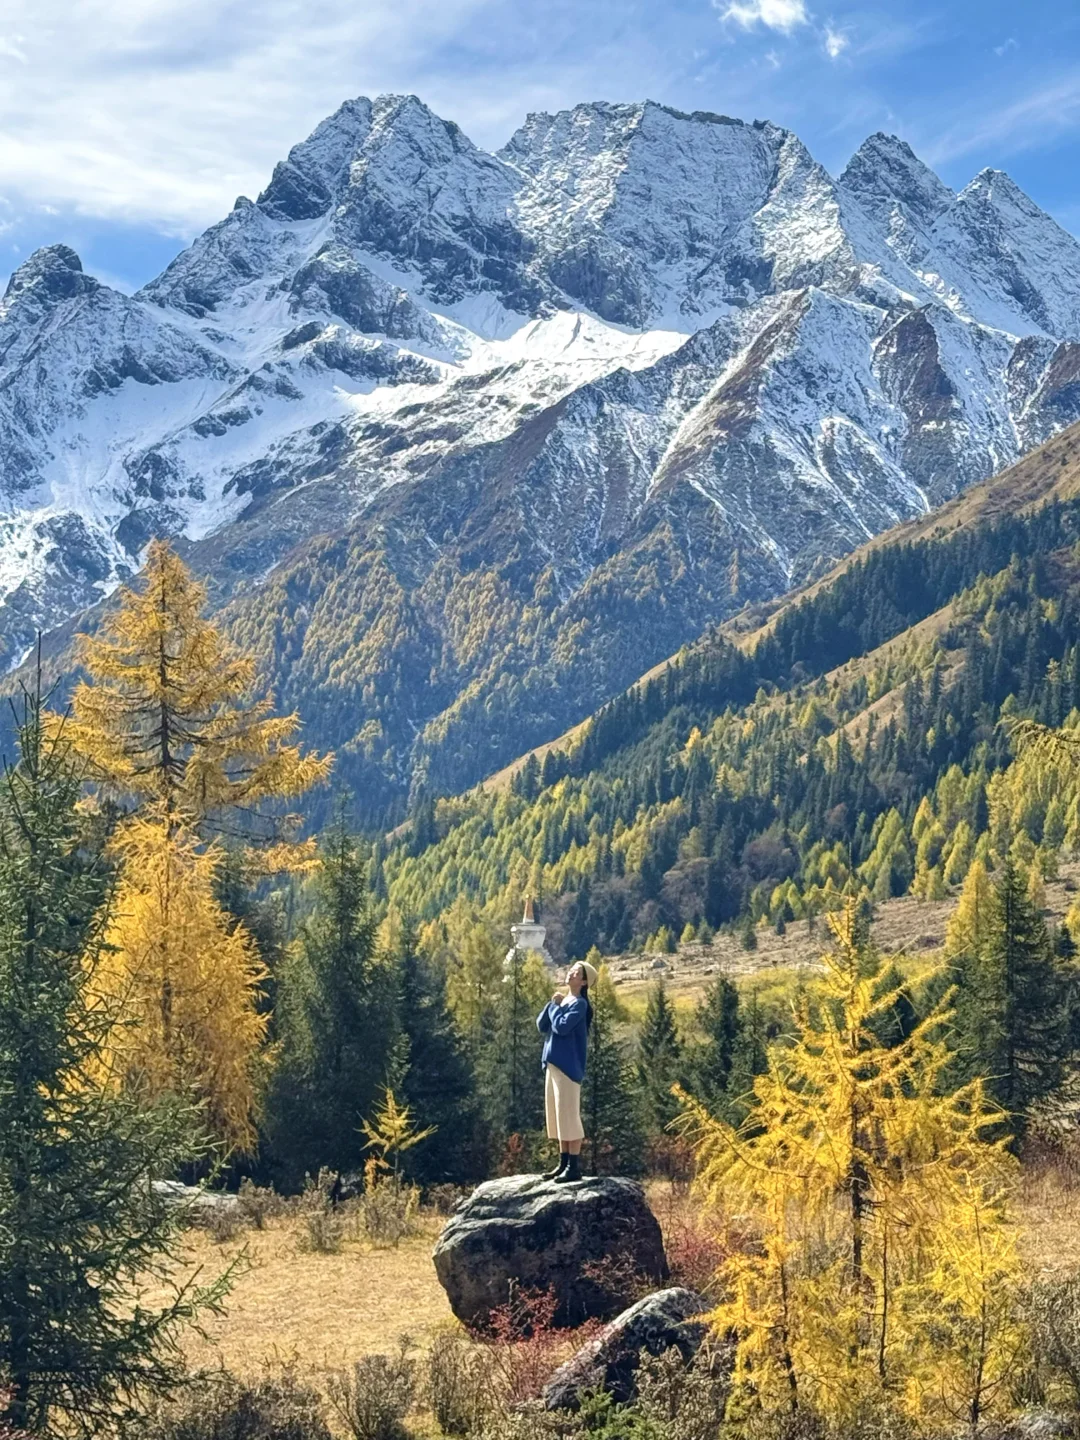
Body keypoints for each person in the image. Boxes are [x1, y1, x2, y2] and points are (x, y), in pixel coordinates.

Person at [536, 959, 597, 1184]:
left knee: (569, 1115)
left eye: (576, 972)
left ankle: (574, 1166)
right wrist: (551, 1005)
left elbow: (561, 1027)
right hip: (553, 1064)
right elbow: (541, 1025)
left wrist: (556, 1007)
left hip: (568, 1067)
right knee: (558, 1115)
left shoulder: (579, 1004)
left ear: (583, 982)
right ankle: (563, 1163)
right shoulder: (566, 1001)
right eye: (571, 969)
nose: (571, 973)